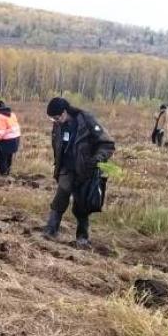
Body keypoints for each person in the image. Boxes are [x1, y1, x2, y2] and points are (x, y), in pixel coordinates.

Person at [43, 97, 116, 248]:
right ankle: (50, 231)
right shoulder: (58, 125)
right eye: (53, 119)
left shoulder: (86, 120)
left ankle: (82, 238)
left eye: (57, 117)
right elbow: (56, 144)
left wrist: (96, 160)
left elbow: (107, 144)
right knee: (60, 199)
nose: (55, 121)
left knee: (82, 206)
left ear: (64, 112)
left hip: (85, 170)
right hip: (66, 169)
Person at [0, 100, 21, 176]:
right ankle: (8, 172)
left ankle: (3, 176)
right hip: (16, 139)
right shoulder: (12, 114)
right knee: (9, 156)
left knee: (2, 157)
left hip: (7, 140)